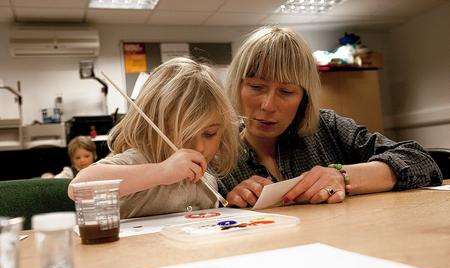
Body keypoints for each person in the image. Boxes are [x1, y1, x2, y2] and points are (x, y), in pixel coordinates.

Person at [219, 26, 442, 207]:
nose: (268, 105)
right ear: (237, 86)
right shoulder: (214, 150)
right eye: (256, 87)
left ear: (304, 98)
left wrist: (343, 176)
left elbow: (422, 162)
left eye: (286, 92)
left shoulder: (327, 126)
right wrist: (223, 204)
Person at [69, 57, 239, 219]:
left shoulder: (207, 178)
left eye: (210, 134)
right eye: (186, 135)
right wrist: (162, 171)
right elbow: (78, 188)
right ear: (156, 126)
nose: (200, 147)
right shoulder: (138, 160)